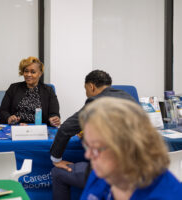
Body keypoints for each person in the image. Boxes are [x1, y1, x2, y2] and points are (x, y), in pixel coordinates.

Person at [50, 70, 136, 200]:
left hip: (110, 174)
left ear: (91, 86)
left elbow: (66, 129)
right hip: (135, 173)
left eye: (86, 90)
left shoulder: (96, 101)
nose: (87, 94)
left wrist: (56, 159)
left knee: (57, 173)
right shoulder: (129, 98)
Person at [79, 97, 182, 200]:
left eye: (96, 148)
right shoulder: (102, 175)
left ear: (128, 147)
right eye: (87, 145)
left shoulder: (166, 195)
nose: (87, 155)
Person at [0, 56, 60, 127]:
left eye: (33, 72)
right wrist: (8, 118)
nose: (28, 75)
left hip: (38, 129)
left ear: (40, 74)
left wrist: (54, 119)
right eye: (26, 71)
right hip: (15, 127)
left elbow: (54, 113)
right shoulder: (14, 88)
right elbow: (2, 111)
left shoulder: (48, 90)